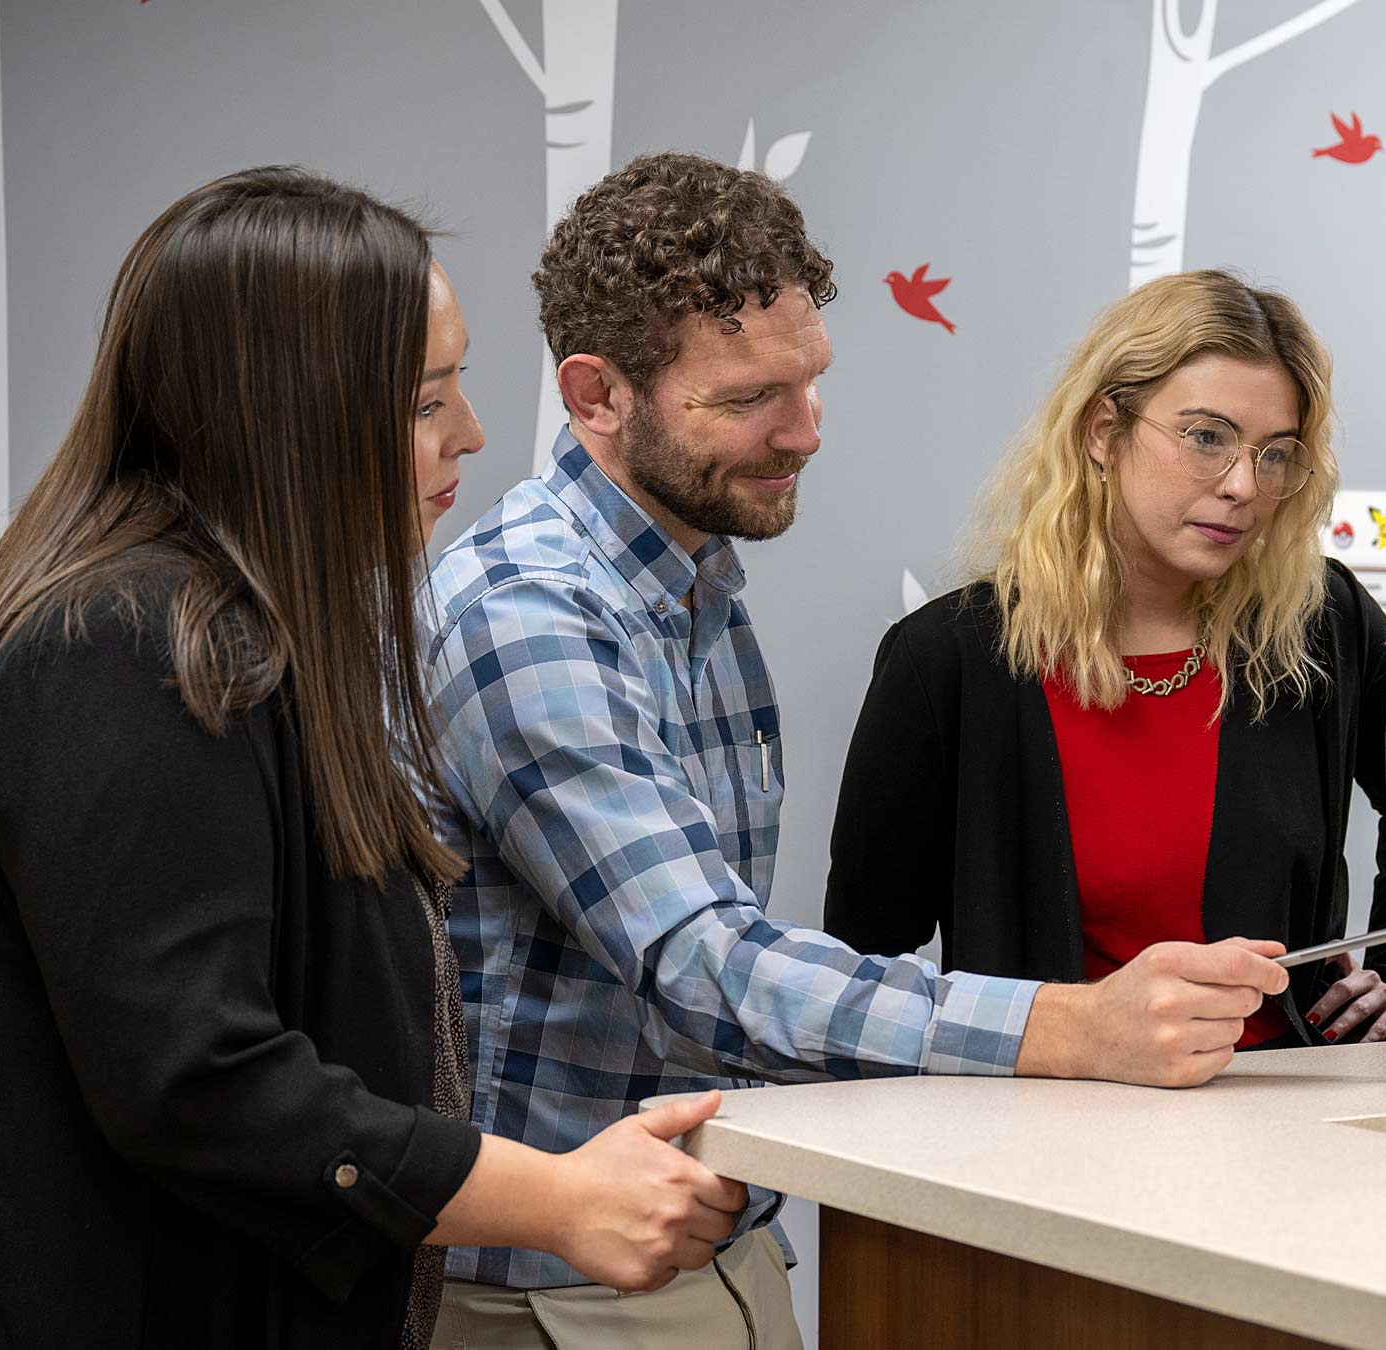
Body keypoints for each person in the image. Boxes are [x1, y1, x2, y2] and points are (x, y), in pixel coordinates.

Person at [0, 166, 749, 1350]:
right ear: (291, 411)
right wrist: (552, 1198)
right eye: (431, 401)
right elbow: (199, 1076)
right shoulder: (128, 647)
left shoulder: (242, 634)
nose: (473, 437)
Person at [423, 154, 1290, 1348]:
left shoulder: (696, 585)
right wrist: (1073, 1027)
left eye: (811, 382)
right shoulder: (527, 612)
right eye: (748, 401)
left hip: (716, 1244)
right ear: (597, 395)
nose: (805, 433)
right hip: (552, 1286)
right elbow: (706, 967)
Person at [823, 269, 1386, 1047]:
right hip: (1036, 1139)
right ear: (1105, 431)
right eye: (1206, 438)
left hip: (1289, 1125)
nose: (1244, 485)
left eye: (1275, 455)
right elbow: (863, 974)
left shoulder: (1317, 622)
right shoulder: (947, 662)